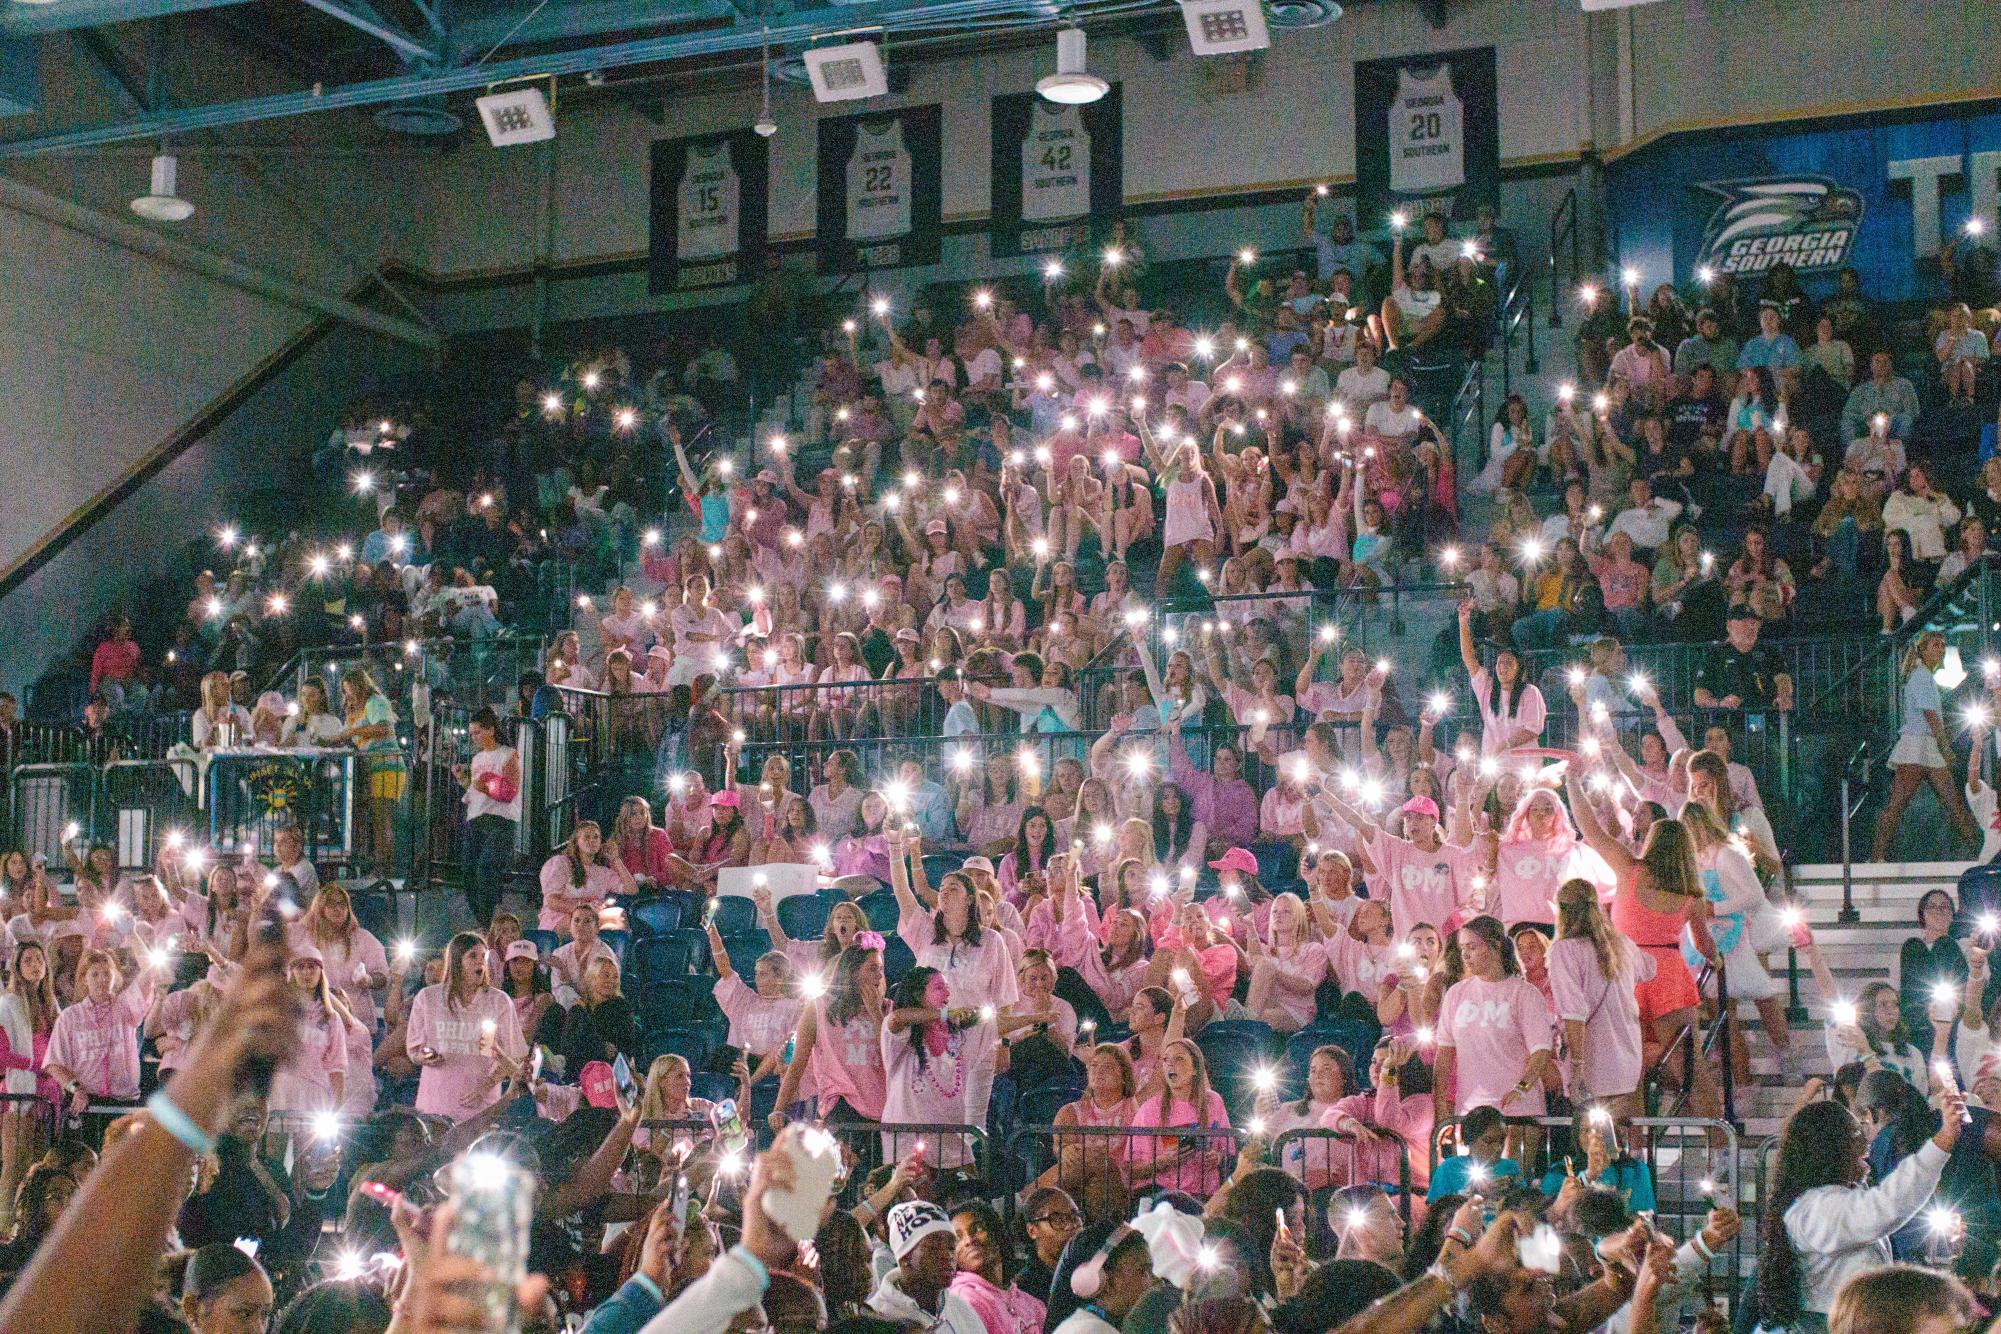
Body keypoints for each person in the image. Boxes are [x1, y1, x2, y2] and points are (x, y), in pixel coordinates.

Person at [1755, 1092, 1961, 1329]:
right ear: (1828, 1148)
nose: (1866, 1141)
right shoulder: (1813, 1209)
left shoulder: (1837, 1199)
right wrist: (1943, 1140)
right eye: (1855, 1133)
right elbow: (1885, 1207)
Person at [1872, 631, 1977, 861]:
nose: (1940, 649)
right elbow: (1930, 715)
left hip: (1925, 746)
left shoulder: (1924, 676)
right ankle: (1877, 855)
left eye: (1942, 645)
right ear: (1924, 649)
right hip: (1918, 745)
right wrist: (1945, 747)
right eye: (1936, 645)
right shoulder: (1921, 676)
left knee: (1951, 802)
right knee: (1899, 803)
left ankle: (1979, 852)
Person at [404, 930, 525, 1120]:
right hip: (435, 1105)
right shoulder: (428, 998)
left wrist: (485, 1086)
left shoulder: (498, 1001)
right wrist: (426, 1057)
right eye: (473, 956)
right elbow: (414, 1051)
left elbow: (516, 1056)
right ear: (456, 962)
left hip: (480, 1109)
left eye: (484, 957)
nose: (480, 962)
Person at [869, 1201, 986, 1334]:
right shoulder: (878, 1317)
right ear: (905, 1257)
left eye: (951, 1247)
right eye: (934, 1248)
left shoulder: (960, 1308)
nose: (947, 1256)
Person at [457, 706, 521, 925]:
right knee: (468, 872)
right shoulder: (476, 759)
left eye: (478, 732)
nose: (474, 737)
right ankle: (482, 920)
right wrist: (465, 783)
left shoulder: (508, 754)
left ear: (491, 730)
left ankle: (486, 920)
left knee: (486, 869)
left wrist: (485, 786)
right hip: (476, 817)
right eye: (472, 733)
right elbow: (475, 790)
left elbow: (511, 790)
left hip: (500, 819)